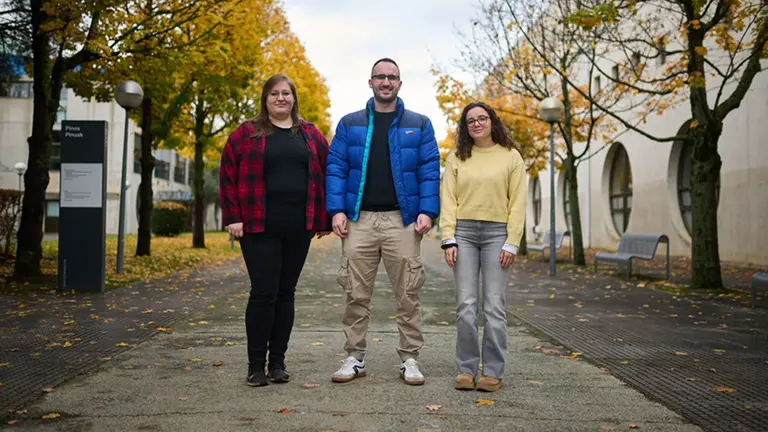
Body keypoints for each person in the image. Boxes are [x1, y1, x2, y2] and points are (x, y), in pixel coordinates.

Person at [325, 58, 440, 386]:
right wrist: (336, 210)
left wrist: (427, 211)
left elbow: (429, 168)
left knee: (408, 293)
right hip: (358, 221)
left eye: (392, 77)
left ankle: (410, 359)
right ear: (370, 82)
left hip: (401, 222)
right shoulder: (350, 124)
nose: (386, 82)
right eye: (380, 77)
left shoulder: (419, 124)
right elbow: (335, 168)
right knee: (355, 293)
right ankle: (354, 356)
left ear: (400, 83)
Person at [219, 74, 331, 387]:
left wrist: (324, 217)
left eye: (286, 93)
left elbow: (328, 170)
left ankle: (278, 362)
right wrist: (233, 217)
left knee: (286, 293)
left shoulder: (309, 133)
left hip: (298, 228)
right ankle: (256, 365)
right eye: (274, 93)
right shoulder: (246, 133)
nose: (280, 98)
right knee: (263, 293)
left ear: (294, 98)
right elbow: (227, 175)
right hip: (258, 227)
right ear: (265, 98)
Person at [439, 101, 527, 392]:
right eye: (470, 120)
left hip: (497, 235)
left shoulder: (511, 157)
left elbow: (518, 203)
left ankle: (492, 371)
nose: (476, 123)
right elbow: (448, 199)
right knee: (465, 305)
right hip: (463, 233)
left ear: (492, 121)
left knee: (493, 306)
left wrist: (512, 242)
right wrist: (448, 238)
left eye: (482, 118)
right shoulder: (457, 157)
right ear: (465, 127)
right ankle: (465, 369)